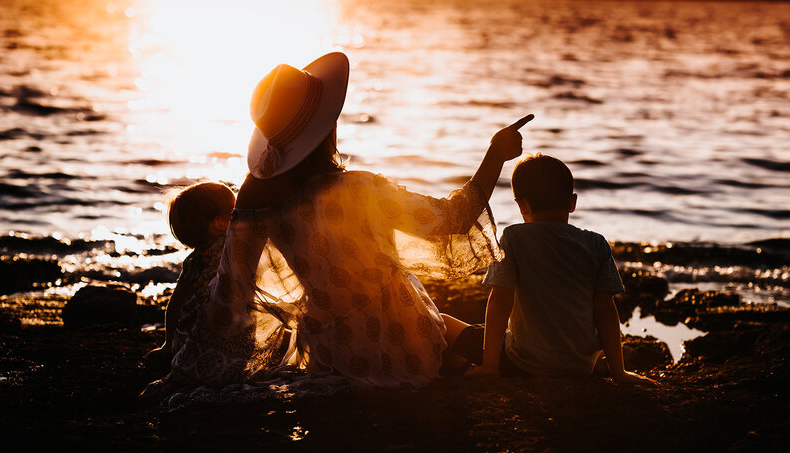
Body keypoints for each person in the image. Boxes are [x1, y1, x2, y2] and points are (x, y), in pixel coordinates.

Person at [141, 51, 532, 400]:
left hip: (329, 349)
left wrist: (186, 358)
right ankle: (525, 356)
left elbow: (232, 291)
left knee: (441, 327)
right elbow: (453, 220)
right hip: (396, 336)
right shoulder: (360, 188)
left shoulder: (254, 203)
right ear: (326, 128)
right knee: (443, 329)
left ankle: (505, 353)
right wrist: (495, 155)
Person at [464, 154, 658, 385]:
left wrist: (490, 365)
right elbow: (605, 310)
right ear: (572, 202)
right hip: (580, 366)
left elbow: (500, 301)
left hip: (525, 363)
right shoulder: (596, 243)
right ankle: (607, 368)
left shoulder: (513, 238)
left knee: (445, 323)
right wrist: (620, 373)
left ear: (521, 205)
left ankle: (467, 368)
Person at [143, 181, 235, 374]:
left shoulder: (194, 261)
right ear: (219, 222)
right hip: (222, 333)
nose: (239, 214)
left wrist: (168, 344)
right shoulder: (233, 247)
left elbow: (175, 304)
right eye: (234, 210)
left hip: (191, 338)